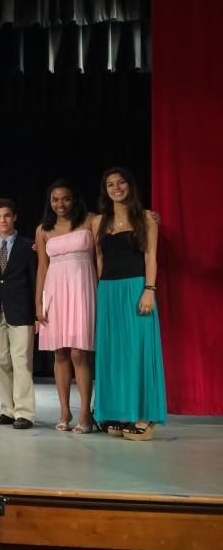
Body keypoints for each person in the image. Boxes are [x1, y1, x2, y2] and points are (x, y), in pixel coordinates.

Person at [91, 168, 166, 441]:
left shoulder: (147, 218)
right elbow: (98, 259)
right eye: (110, 184)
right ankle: (118, 411)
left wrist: (149, 289)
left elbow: (151, 257)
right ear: (105, 190)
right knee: (113, 353)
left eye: (121, 182)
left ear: (130, 185)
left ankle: (145, 416)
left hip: (136, 287)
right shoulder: (98, 221)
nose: (116, 187)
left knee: (139, 351)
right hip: (108, 290)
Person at [35, 180, 97, 434]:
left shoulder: (91, 221)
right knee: (59, 352)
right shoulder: (43, 229)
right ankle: (64, 411)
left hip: (82, 287)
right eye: (55, 199)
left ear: (75, 199)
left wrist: (149, 214)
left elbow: (118, 224)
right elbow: (42, 267)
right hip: (55, 290)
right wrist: (38, 301)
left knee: (79, 352)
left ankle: (85, 411)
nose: (60, 204)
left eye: (65, 199)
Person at [0, 199, 37, 430]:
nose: (2, 220)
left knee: (21, 361)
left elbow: (35, 279)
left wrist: (36, 312)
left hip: (21, 310)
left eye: (6, 215)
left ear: (14, 217)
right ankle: (7, 409)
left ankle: (24, 412)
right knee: (0, 361)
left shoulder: (29, 246)